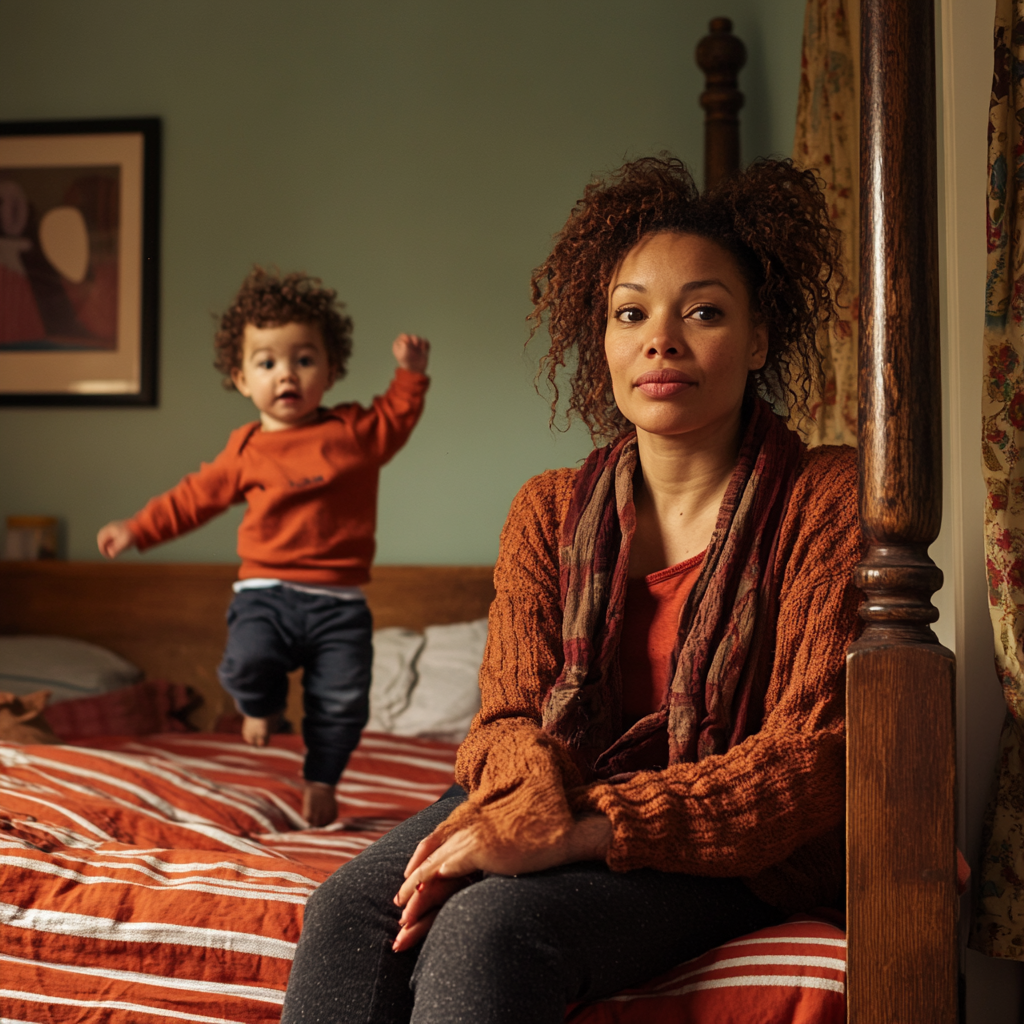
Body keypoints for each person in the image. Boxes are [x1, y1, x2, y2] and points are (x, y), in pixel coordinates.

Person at [281, 156, 858, 1022]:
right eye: (632, 314)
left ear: (760, 338)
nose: (660, 339)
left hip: (732, 842)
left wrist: (579, 830)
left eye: (703, 311)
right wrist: (532, 811)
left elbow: (808, 762)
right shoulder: (549, 509)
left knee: (489, 927)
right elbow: (509, 721)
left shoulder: (829, 497)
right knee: (344, 912)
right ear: (606, 342)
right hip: (557, 786)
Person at [97, 268, 430, 827]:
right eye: (267, 362)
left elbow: (395, 419)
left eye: (304, 359)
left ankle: (322, 779)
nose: (287, 375)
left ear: (330, 370)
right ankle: (260, 706)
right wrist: (138, 528)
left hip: (339, 605)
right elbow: (193, 497)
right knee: (246, 665)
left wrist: (410, 375)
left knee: (343, 702)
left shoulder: (352, 431)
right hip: (265, 595)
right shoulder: (245, 450)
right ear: (241, 377)